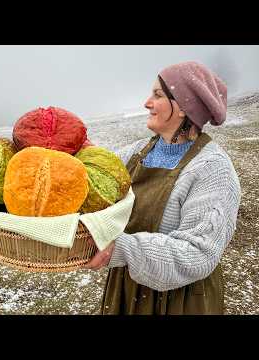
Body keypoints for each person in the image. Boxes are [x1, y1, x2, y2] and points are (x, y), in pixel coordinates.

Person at [84, 61, 241, 315]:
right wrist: (82, 154)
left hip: (181, 301)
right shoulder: (139, 152)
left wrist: (121, 248)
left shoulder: (212, 169)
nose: (147, 103)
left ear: (182, 107)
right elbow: (98, 176)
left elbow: (198, 253)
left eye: (157, 95)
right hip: (127, 288)